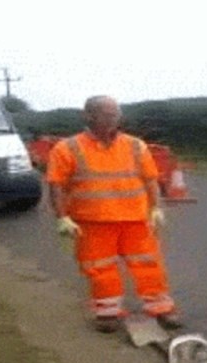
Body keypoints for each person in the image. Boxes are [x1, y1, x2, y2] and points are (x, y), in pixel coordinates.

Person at [46, 95, 180, 333]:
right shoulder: (67, 148)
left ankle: (161, 309)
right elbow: (55, 185)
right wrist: (62, 217)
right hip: (92, 223)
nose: (113, 120)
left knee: (149, 266)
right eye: (107, 115)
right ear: (88, 116)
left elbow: (150, 180)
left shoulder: (135, 145)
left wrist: (156, 208)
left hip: (136, 220)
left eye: (116, 115)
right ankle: (108, 313)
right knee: (100, 269)